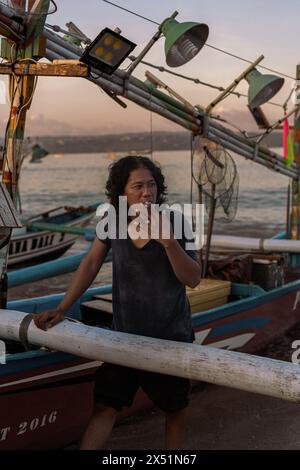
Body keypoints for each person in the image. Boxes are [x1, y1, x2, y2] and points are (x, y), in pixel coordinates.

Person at [34, 156, 201, 450]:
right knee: (104, 408)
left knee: (174, 413)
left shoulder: (176, 221)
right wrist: (62, 308)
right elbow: (90, 263)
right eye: (138, 186)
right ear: (122, 193)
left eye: (151, 185)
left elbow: (193, 279)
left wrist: (169, 243)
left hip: (170, 339)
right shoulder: (113, 220)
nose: (147, 192)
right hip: (122, 336)